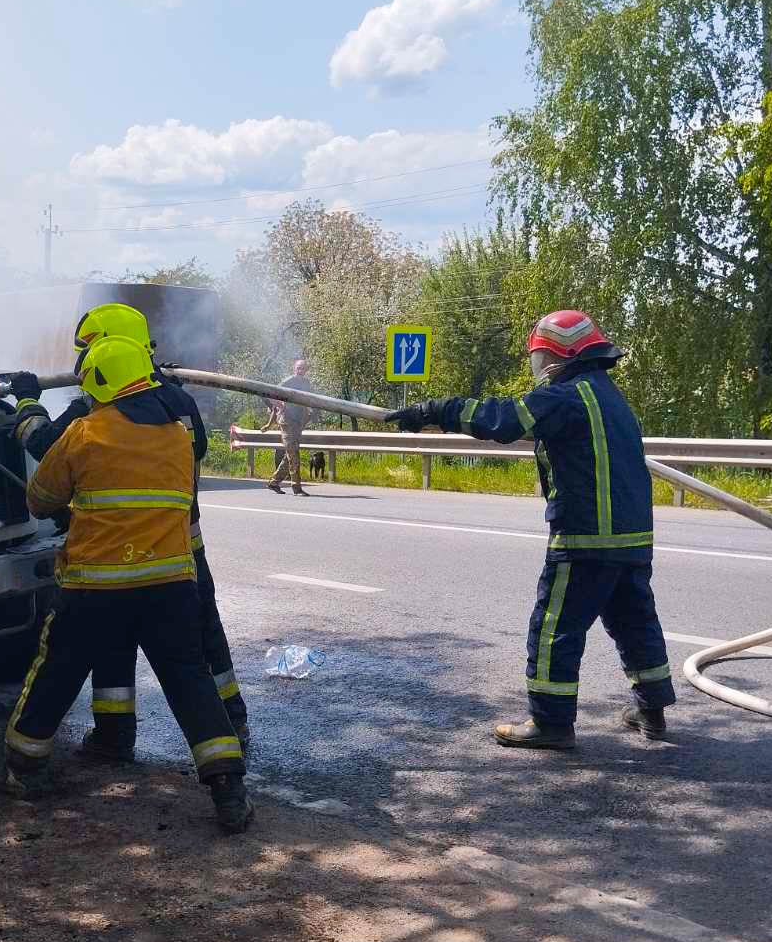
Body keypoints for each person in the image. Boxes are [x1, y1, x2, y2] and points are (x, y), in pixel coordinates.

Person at [0, 333, 255, 832]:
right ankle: (228, 789)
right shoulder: (178, 437)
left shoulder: (85, 433)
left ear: (97, 381)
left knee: (58, 671)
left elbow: (40, 500)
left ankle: (21, 769)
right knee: (189, 679)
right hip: (171, 585)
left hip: (95, 587)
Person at [384, 310, 675, 749]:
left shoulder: (567, 396)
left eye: (538, 357)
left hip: (583, 539)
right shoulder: (612, 400)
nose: (537, 367)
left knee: (554, 628)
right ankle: (652, 714)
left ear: (558, 355)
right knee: (635, 624)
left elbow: (503, 418)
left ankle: (551, 723)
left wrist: (434, 410)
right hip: (632, 541)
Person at [268, 359, 313, 495]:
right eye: (299, 367)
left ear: (306, 370)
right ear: (294, 368)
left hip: (298, 422)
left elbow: (308, 399)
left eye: (303, 368)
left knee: (290, 454)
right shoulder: (289, 380)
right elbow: (271, 393)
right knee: (293, 454)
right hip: (287, 421)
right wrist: (279, 404)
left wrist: (308, 412)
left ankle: (274, 482)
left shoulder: (306, 383)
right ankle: (296, 487)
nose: (301, 370)